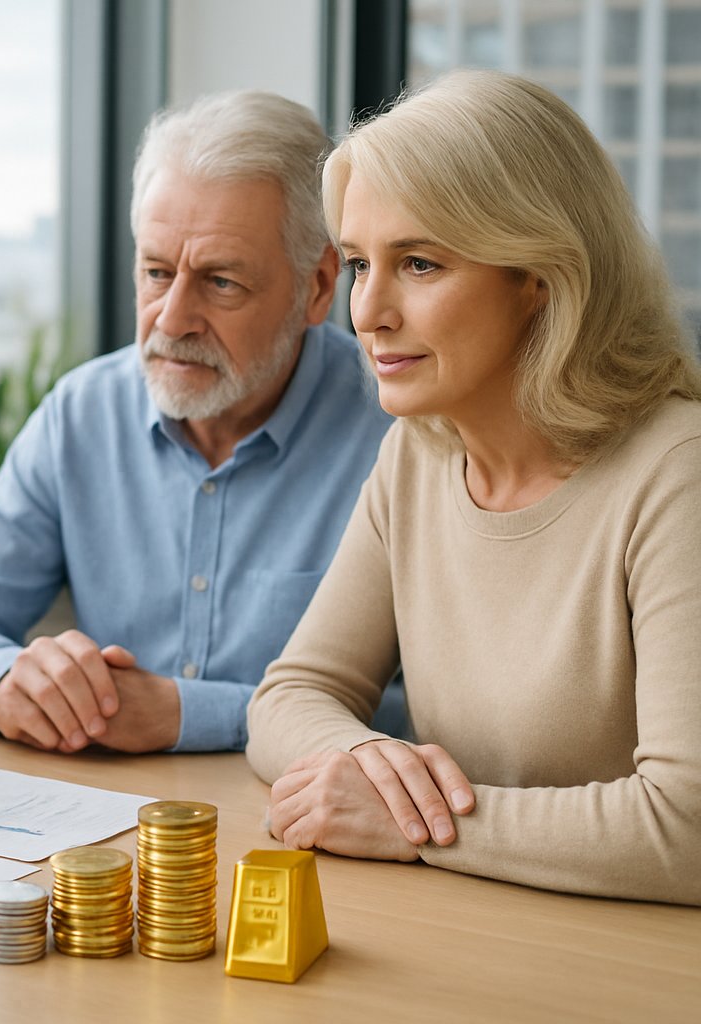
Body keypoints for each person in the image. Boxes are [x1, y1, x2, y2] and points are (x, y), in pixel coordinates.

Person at [246, 69, 701, 906]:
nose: (368, 311)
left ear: (540, 276)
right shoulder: (415, 456)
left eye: (418, 263)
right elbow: (292, 696)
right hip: (462, 936)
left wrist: (419, 827)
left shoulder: (678, 474)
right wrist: (358, 761)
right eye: (357, 264)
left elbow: (689, 827)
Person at [0, 91, 396, 754]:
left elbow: (434, 716)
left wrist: (189, 714)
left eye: (220, 282)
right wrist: (9, 680)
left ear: (319, 287)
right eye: (156, 272)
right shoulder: (82, 414)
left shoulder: (399, 436)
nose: (172, 320)